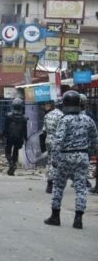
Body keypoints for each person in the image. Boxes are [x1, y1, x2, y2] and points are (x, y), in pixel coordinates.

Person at [44, 90, 97, 229]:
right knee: (80, 188)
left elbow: (58, 141)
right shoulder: (88, 120)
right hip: (82, 156)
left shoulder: (65, 120)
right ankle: (78, 219)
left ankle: (55, 216)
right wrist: (89, 153)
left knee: (58, 187)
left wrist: (54, 159)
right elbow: (94, 139)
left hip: (65, 157)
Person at [42, 98, 63, 194]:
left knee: (50, 160)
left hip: (48, 140)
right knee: (56, 162)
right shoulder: (62, 116)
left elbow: (44, 130)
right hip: (57, 141)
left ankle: (50, 181)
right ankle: (51, 183)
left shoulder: (47, 115)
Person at [3, 98, 28, 176]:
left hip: (10, 137)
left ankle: (11, 163)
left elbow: (5, 127)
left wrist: (4, 135)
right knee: (15, 152)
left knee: (7, 152)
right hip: (19, 138)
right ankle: (13, 165)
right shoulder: (24, 118)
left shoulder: (8, 116)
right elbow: (25, 130)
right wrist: (26, 139)